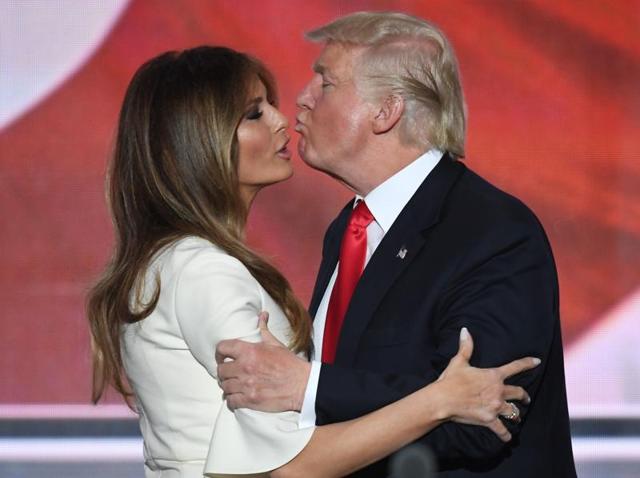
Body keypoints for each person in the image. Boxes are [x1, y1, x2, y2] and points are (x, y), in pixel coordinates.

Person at [86, 45, 537, 478]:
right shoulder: (203, 269)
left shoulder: (176, 260)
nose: (285, 119)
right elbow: (292, 463)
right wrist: (441, 399)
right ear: (196, 142)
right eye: (254, 113)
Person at [215, 12, 577, 477]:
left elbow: (484, 420)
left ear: (386, 111)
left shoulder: (494, 232)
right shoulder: (350, 227)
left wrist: (307, 386)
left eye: (325, 83)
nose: (301, 100)